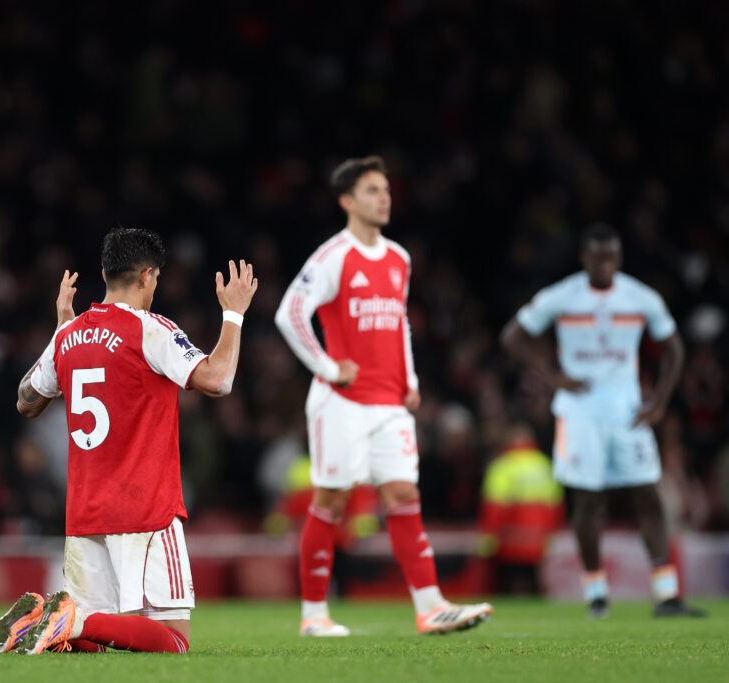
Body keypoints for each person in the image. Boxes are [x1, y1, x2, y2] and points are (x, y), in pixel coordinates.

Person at [0, 227, 257, 655]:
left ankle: (53, 623)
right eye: (157, 280)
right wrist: (234, 315)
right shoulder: (150, 329)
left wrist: (59, 332)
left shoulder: (69, 335)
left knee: (91, 647)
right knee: (173, 642)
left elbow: (25, 401)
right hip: (145, 508)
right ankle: (67, 618)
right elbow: (218, 381)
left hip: (85, 512)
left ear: (106, 274)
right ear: (147, 276)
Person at [274, 155, 492, 636]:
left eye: (387, 190)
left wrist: (409, 378)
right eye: (373, 190)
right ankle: (314, 615)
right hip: (341, 402)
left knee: (402, 494)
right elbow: (289, 313)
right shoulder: (334, 256)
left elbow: (399, 322)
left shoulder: (399, 258)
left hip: (390, 402)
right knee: (331, 501)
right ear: (347, 201)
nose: (384, 197)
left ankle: (431, 606)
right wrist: (329, 367)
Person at [500, 223, 705, 618]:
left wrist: (659, 402)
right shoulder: (562, 296)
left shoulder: (639, 296)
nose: (606, 264)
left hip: (628, 410)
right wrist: (553, 376)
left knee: (647, 493)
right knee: (589, 501)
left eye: (612, 256)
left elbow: (674, 348)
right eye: (598, 257)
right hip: (578, 412)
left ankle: (666, 595)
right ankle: (596, 593)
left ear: (620, 258)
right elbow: (513, 336)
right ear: (585, 258)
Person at [475, 423, 564, 595]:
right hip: (538, 538)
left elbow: (494, 508)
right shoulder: (544, 465)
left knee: (507, 584)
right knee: (535, 581)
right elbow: (556, 506)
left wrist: (488, 536)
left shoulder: (503, 466)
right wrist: (551, 533)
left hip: (509, 538)